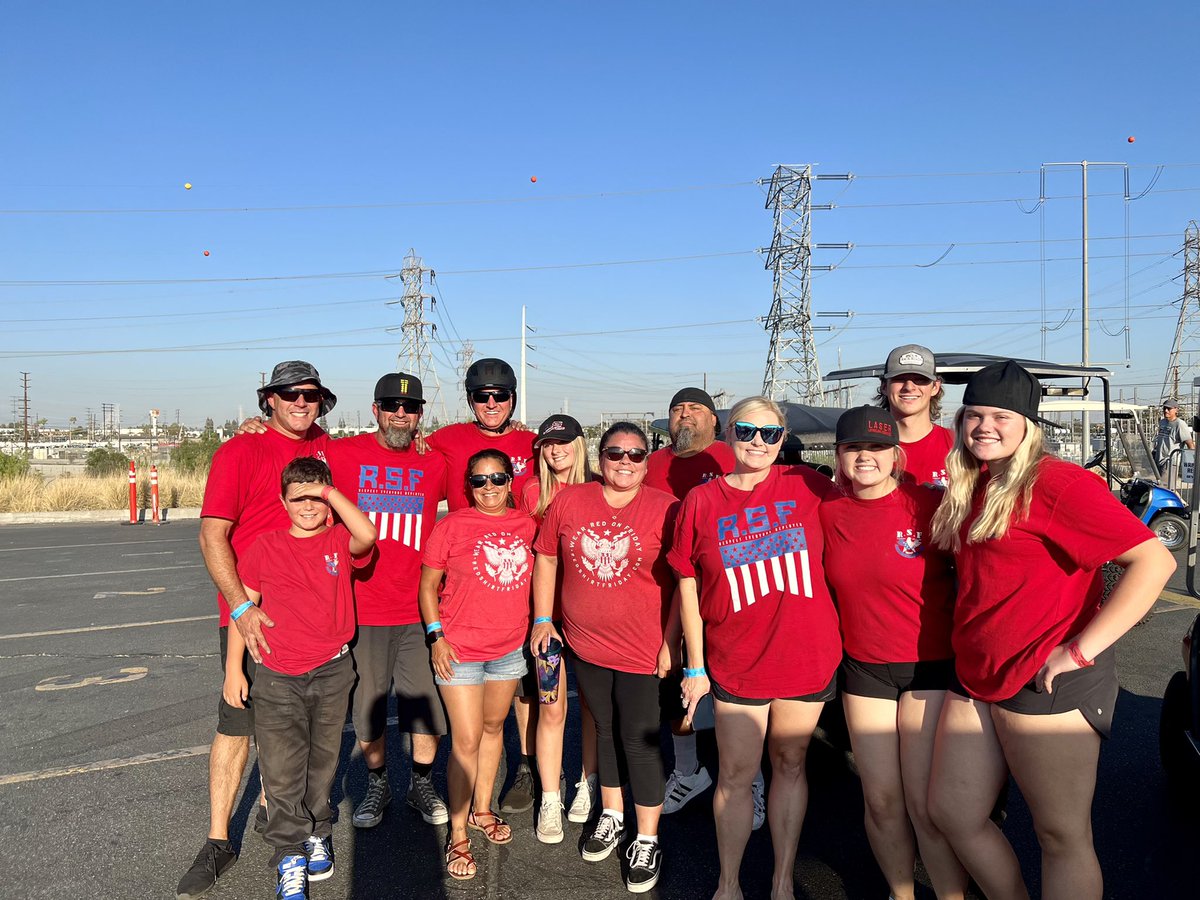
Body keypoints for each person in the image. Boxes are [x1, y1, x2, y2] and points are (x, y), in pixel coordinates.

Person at [927, 360, 1175, 900]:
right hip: (977, 676)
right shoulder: (973, 482)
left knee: (1060, 835)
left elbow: (1155, 563)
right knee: (952, 812)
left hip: (1047, 680)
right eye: (973, 414)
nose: (984, 426)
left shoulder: (1058, 483)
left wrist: (1079, 653)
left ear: (1028, 425)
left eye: (1000, 416)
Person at [672, 396, 842, 900]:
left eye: (770, 434)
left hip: (805, 655)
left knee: (790, 765)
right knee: (737, 775)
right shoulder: (701, 502)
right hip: (735, 660)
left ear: (783, 438)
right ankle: (729, 884)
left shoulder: (809, 485)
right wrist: (694, 665)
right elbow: (686, 582)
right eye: (747, 431)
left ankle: (782, 880)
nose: (758, 443)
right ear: (728, 433)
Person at [176, 360, 333, 900]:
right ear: (268, 399)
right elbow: (212, 536)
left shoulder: (324, 449)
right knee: (236, 724)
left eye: (310, 394)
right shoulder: (240, 451)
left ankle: (285, 821)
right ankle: (219, 840)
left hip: (313, 619)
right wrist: (241, 609)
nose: (300, 402)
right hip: (254, 616)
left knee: (298, 731)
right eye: (289, 393)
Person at [820, 406, 966, 900]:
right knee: (882, 800)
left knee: (926, 805)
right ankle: (900, 893)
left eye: (877, 448)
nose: (866, 457)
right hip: (865, 668)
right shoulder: (828, 513)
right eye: (853, 448)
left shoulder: (932, 506)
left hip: (930, 666)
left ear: (896, 455)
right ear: (838, 456)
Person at [531, 422, 679, 894]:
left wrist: (672, 641)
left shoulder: (665, 508)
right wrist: (541, 618)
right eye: (615, 452)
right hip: (585, 643)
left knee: (639, 739)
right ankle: (612, 813)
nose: (625, 461)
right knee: (606, 729)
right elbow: (547, 557)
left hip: (641, 648)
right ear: (600, 456)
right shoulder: (571, 501)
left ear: (647, 461)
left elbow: (684, 583)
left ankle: (647, 838)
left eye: (636, 455)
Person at [224, 457, 376, 900]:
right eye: (298, 499)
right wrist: (235, 670)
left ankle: (317, 829)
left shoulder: (338, 539)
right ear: (282, 502)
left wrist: (327, 493)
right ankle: (289, 853)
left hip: (332, 670)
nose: (307, 507)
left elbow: (367, 535)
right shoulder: (265, 546)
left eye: (316, 497)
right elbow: (243, 614)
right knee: (281, 767)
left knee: (323, 761)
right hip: (277, 675)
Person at [324, 373, 451, 831]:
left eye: (410, 407)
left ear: (420, 416)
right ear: (375, 409)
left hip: (420, 608)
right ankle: (378, 783)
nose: (401, 414)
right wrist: (254, 426)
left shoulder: (434, 463)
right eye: (391, 406)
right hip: (364, 609)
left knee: (425, 708)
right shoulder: (341, 454)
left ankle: (421, 783)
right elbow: (292, 459)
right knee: (370, 707)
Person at [645, 388, 763, 828]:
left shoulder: (733, 457)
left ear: (717, 422)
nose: (685, 416)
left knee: (743, 696)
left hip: (729, 592)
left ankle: (752, 780)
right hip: (671, 590)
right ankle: (689, 772)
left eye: (696, 409)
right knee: (677, 692)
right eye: (677, 409)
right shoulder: (654, 464)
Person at [427, 357, 540, 813]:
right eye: (481, 396)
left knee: (527, 692)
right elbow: (400, 449)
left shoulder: (534, 442)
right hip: (469, 588)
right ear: (471, 400)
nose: (491, 403)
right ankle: (469, 810)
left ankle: (529, 768)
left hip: (526, 580)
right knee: (474, 726)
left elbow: (572, 468)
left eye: (500, 395)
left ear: (513, 398)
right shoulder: (448, 438)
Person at [419, 450, 538, 882]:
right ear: (469, 485)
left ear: (511, 481)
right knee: (465, 739)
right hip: (459, 649)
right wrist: (436, 636)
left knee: (493, 729)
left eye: (498, 478)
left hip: (508, 648)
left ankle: (482, 808)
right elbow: (428, 585)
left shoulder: (529, 525)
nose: (490, 487)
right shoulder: (451, 525)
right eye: (480, 480)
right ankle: (457, 831)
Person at [519, 414, 601, 840]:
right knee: (551, 706)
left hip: (590, 616)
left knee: (590, 706)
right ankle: (550, 797)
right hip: (547, 618)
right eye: (547, 444)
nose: (555, 450)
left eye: (563, 442)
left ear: (580, 444)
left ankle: (586, 784)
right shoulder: (530, 490)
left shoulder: (599, 486)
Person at [876, 344, 953, 487]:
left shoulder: (959, 446)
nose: (909, 387)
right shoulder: (867, 450)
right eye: (899, 378)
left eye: (920, 379)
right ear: (884, 386)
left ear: (935, 387)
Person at [1154, 398, 1194, 476]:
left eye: (1169, 408)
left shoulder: (1180, 424)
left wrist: (1193, 461)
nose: (1166, 411)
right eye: (1164, 408)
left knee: (1167, 486)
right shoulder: (1162, 422)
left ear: (1176, 410)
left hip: (1170, 462)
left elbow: (1190, 444)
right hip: (1158, 460)